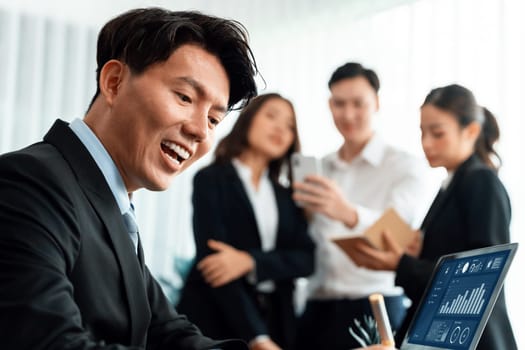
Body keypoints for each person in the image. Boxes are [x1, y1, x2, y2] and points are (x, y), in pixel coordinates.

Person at [0, 7, 258, 350]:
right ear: (114, 83)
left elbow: (168, 332)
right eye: (185, 97)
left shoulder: (114, 207)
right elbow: (49, 342)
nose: (199, 131)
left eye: (213, 119)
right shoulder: (28, 182)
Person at [350, 84, 517, 349]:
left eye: (437, 133)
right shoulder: (453, 183)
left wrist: (402, 263)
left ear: (471, 131)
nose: (426, 143)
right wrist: (417, 255)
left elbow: (481, 280)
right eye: (422, 132)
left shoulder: (480, 182)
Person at [292, 62, 437, 350]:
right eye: (339, 104)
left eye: (358, 104)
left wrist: (348, 213)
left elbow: (397, 234)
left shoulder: (406, 166)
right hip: (316, 306)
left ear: (377, 103)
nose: (348, 114)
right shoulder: (321, 168)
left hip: (374, 305)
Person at [177, 93, 315, 350]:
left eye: (289, 126)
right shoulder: (211, 179)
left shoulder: (288, 196)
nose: (280, 129)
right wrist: (257, 337)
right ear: (248, 119)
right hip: (215, 318)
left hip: (276, 322)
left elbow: (307, 259)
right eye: (272, 116)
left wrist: (250, 262)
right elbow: (214, 264)